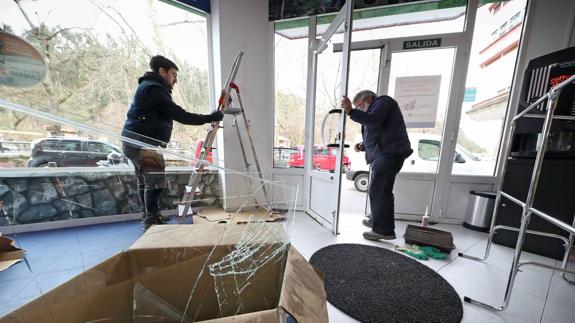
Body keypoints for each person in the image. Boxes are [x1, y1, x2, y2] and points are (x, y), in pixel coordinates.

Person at [121, 55, 223, 230]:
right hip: (143, 143)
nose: (175, 80)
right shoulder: (154, 89)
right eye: (173, 74)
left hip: (134, 142)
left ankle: (149, 217)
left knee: (145, 182)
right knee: (154, 182)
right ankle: (152, 221)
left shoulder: (148, 87)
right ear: (162, 71)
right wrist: (210, 117)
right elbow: (180, 114)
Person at [342, 90, 413, 241]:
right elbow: (378, 132)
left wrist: (351, 112)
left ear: (368, 98)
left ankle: (384, 230)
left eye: (360, 106)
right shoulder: (378, 108)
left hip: (390, 154)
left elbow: (373, 120)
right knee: (376, 189)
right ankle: (377, 221)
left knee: (380, 190)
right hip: (384, 154)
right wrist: (364, 146)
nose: (360, 110)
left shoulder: (383, 102)